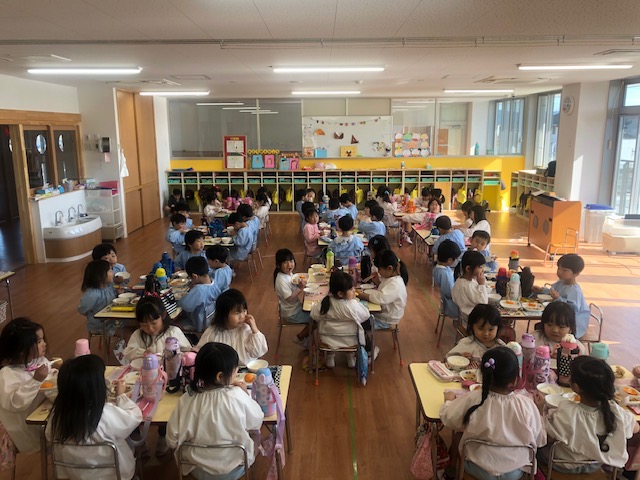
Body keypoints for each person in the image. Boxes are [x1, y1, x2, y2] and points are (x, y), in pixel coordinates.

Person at [440, 347, 545, 480]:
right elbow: (540, 440)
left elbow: (449, 419)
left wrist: (448, 402)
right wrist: (540, 411)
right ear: (515, 380)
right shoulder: (527, 404)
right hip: (514, 472)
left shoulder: (474, 399)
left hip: (478, 468)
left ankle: (452, 471)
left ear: (483, 375)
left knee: (458, 436)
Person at [167, 342, 264, 480]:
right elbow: (257, 420)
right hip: (234, 467)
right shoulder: (237, 395)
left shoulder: (186, 399)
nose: (236, 372)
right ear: (220, 376)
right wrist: (245, 394)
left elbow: (171, 440)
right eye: (235, 370)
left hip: (195, 468)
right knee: (256, 436)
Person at [46, 355, 143, 479]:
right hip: (113, 475)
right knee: (131, 442)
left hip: (73, 474)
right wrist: (121, 396)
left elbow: (49, 435)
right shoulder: (104, 414)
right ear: (96, 388)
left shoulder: (58, 416)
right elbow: (134, 416)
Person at [537, 356, 638, 474]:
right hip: (595, 464)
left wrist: (540, 409)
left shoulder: (567, 411)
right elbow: (636, 428)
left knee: (537, 449)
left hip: (563, 464)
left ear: (576, 387)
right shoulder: (616, 412)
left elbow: (545, 437)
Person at [0, 318, 50, 454]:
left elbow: (49, 381)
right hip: (27, 431)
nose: (44, 344)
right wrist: (36, 380)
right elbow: (15, 403)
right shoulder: (7, 374)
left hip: (43, 417)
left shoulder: (39, 361)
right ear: (21, 350)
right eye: (39, 341)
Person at [310, 271, 370, 368]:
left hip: (327, 341)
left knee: (328, 333)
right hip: (351, 341)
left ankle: (330, 358)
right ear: (340, 294)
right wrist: (355, 301)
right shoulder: (353, 305)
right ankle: (351, 358)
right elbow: (366, 315)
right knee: (350, 336)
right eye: (351, 289)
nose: (354, 290)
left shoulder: (325, 303)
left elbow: (314, 315)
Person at [194, 289, 268, 366]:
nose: (242, 316)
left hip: (245, 369)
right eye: (237, 313)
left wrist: (255, 330)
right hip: (222, 371)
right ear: (224, 315)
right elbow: (201, 353)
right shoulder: (212, 332)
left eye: (244, 311)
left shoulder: (245, 329)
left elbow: (258, 352)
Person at [532, 254, 590, 338]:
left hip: (572, 325)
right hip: (561, 318)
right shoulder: (561, 282)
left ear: (576, 274)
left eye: (564, 270)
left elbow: (572, 310)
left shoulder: (575, 290)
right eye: (559, 268)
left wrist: (558, 298)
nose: (559, 272)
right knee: (542, 326)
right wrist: (542, 290)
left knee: (544, 327)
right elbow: (552, 291)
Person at [124, 295, 192, 362]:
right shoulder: (138, 335)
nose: (150, 328)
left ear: (163, 315)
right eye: (144, 325)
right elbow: (128, 353)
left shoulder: (173, 332)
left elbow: (187, 353)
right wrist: (143, 353)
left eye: (154, 323)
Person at [358, 249, 408, 337]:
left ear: (389, 268)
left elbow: (381, 298)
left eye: (379, 269)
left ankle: (367, 345)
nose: (378, 272)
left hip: (385, 320)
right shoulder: (391, 279)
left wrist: (362, 295)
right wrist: (377, 282)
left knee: (356, 324)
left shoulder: (395, 284)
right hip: (383, 314)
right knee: (358, 316)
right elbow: (385, 291)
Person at [273, 249, 312, 347]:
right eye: (285, 262)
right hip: (291, 313)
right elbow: (289, 298)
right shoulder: (281, 280)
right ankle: (299, 338)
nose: (289, 264)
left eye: (291, 261)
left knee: (316, 312)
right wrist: (300, 288)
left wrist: (299, 284)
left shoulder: (288, 274)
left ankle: (307, 337)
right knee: (317, 318)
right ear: (278, 265)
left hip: (296, 307)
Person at [178, 256, 222, 332]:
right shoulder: (214, 283)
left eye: (190, 277)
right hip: (210, 320)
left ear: (194, 276)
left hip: (197, 324)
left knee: (173, 323)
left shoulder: (199, 290)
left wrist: (181, 298)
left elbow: (184, 306)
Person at [78, 259, 117, 334]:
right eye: (110, 271)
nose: (113, 273)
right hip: (102, 326)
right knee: (128, 333)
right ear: (100, 275)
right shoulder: (92, 294)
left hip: (113, 320)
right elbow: (82, 309)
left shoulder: (108, 287)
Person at [451, 251, 488, 321]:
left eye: (483, 266)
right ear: (468, 269)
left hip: (465, 315)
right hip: (472, 319)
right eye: (480, 267)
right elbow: (484, 303)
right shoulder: (467, 286)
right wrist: (482, 285)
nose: (483, 270)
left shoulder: (460, 280)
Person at [433, 239, 462, 320]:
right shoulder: (444, 273)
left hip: (447, 302)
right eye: (455, 259)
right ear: (449, 260)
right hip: (451, 306)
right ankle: (460, 324)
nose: (456, 260)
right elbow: (449, 293)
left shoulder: (439, 268)